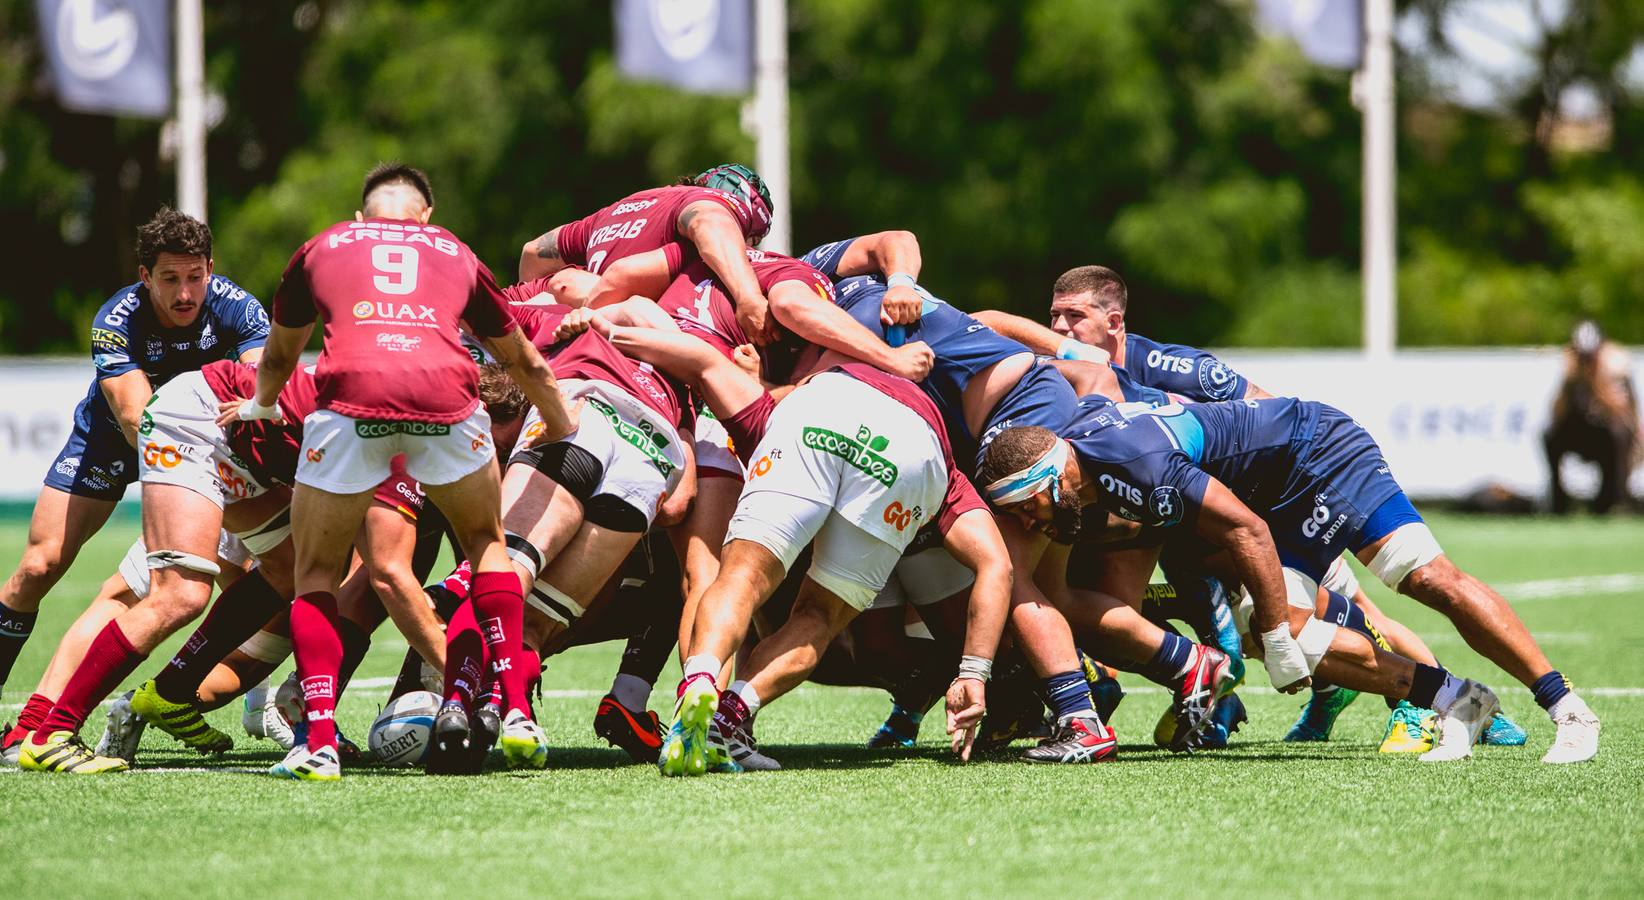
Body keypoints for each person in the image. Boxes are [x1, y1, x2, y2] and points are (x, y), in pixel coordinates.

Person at [979, 394, 1600, 763]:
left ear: (1053, 471)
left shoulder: (1134, 463)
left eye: (1031, 505)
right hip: (1261, 497)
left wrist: (1274, 635)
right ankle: (1457, 698)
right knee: (1290, 635)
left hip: (1317, 452)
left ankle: (1566, 708)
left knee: (1422, 577)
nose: (1032, 522)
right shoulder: (1080, 453)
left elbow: (1244, 530)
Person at [237, 162, 576, 782]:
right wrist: (561, 423)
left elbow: (282, 352)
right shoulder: (452, 249)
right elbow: (522, 359)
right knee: (486, 545)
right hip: (446, 400)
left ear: (362, 217)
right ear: (426, 216)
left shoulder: (323, 244)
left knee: (317, 570)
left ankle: (316, 741)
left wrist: (261, 407)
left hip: (347, 404)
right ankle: (517, 709)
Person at [0, 209, 267, 701]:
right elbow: (134, 418)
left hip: (203, 448)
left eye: (195, 276)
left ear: (211, 267)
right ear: (145, 277)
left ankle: (261, 702)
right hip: (113, 442)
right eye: (170, 279)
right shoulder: (116, 319)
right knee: (38, 567)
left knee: (253, 572)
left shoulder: (240, 309)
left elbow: (261, 391)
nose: (185, 293)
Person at [518, 164, 777, 342]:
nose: (748, 250)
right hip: (622, 347)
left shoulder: (617, 210)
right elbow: (708, 221)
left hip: (556, 334)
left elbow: (533, 252)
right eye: (749, 239)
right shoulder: (709, 205)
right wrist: (749, 298)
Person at [1544, 320, 1640, 514]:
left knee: (1619, 434)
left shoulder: (1614, 366)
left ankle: (1615, 500)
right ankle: (1559, 502)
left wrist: (1598, 379)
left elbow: (1623, 410)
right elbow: (1556, 412)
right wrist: (1571, 379)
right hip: (1578, 431)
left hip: (1605, 432)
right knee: (1549, 436)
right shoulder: (1571, 371)